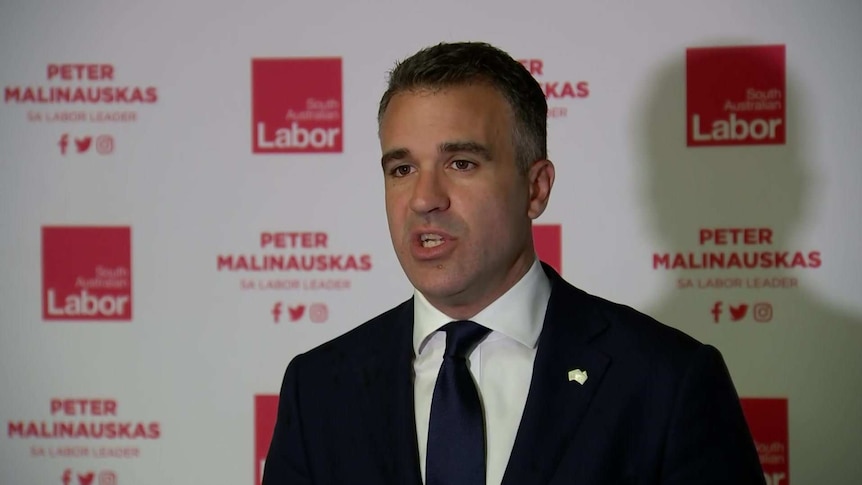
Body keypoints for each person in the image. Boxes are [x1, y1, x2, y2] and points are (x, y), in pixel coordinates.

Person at [262, 41, 765, 485]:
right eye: (402, 168)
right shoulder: (318, 389)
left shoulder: (667, 382)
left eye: (461, 163)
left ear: (536, 188)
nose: (424, 198)